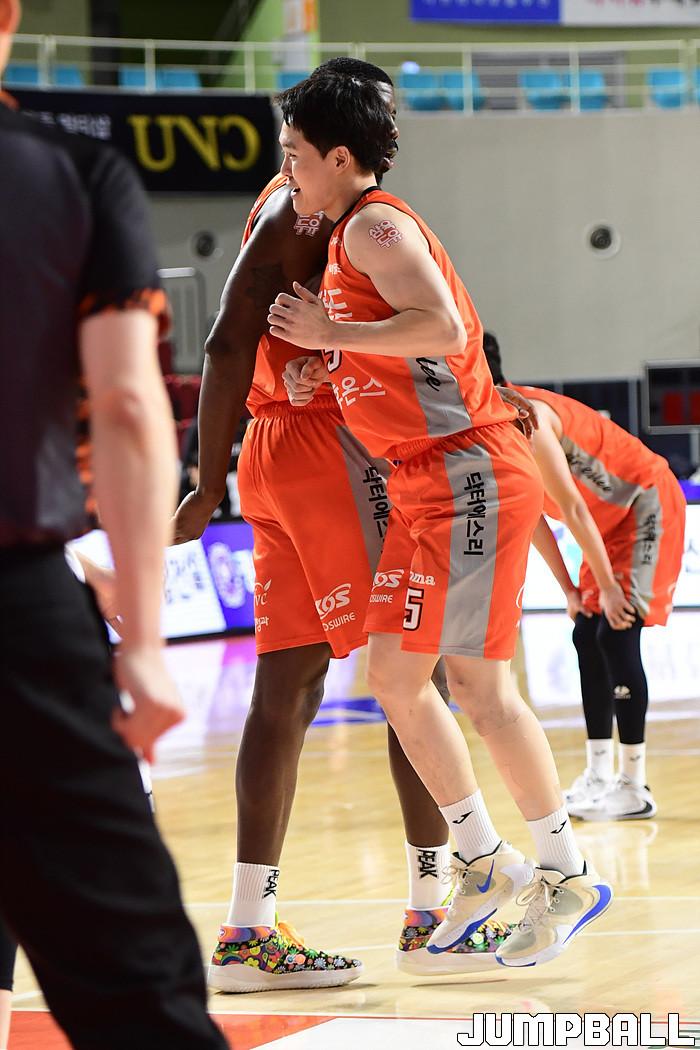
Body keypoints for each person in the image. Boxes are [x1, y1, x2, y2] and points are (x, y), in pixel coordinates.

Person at [172, 57, 522, 986]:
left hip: (274, 454)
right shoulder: (305, 211)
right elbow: (225, 339)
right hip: (327, 455)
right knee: (412, 674)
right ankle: (435, 911)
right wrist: (202, 485)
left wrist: (221, 476)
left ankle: (248, 930)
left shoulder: (300, 200)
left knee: (287, 687)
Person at [273, 70, 613, 969]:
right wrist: (326, 373)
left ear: (338, 157)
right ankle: (483, 858)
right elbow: (396, 362)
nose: (287, 169)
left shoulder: (375, 225)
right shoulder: (345, 238)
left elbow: (443, 332)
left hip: (470, 473)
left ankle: (566, 872)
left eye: (295, 154)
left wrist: (331, 338)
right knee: (393, 678)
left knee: (480, 689)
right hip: (423, 482)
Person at [0, 2, 228, 1046]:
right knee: (135, 990)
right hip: (17, 618)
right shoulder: (69, 172)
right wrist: (140, 641)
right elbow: (133, 408)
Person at [482, 332, 686, 820]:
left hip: (644, 501)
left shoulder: (528, 419)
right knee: (584, 635)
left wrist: (610, 588)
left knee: (616, 632)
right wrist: (570, 590)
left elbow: (571, 506)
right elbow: (531, 516)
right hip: (605, 524)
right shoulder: (485, 430)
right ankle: (598, 774)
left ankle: (634, 786)